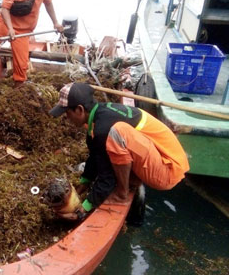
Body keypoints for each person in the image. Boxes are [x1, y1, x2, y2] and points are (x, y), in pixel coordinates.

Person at [49, 82, 190, 221]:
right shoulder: (100, 115)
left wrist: (84, 207)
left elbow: (107, 176)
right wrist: (84, 182)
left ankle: (122, 193)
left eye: (67, 114)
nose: (67, 119)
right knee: (114, 137)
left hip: (168, 170)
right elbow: (96, 154)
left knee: (118, 132)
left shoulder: (104, 128)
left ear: (79, 110)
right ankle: (131, 181)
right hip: (162, 159)